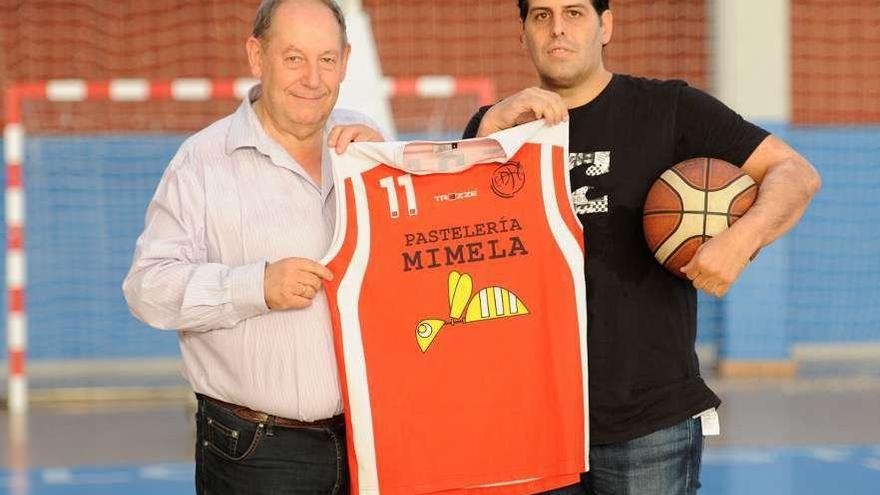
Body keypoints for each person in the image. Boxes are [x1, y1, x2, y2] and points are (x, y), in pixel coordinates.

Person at [464, 1, 821, 494]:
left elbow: (795, 173)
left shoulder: (669, 109)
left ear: (605, 25)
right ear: (521, 33)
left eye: (575, 13)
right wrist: (480, 139)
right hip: (530, 421)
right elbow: (452, 253)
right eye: (541, 16)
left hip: (648, 421)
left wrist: (743, 238)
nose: (558, 29)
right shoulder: (497, 127)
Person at [122, 0, 383, 493]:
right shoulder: (202, 161)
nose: (312, 78)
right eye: (293, 58)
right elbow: (146, 288)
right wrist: (255, 285)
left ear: (346, 61)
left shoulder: (365, 142)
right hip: (256, 452)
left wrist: (387, 165)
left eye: (326, 59)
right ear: (255, 56)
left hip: (371, 441)